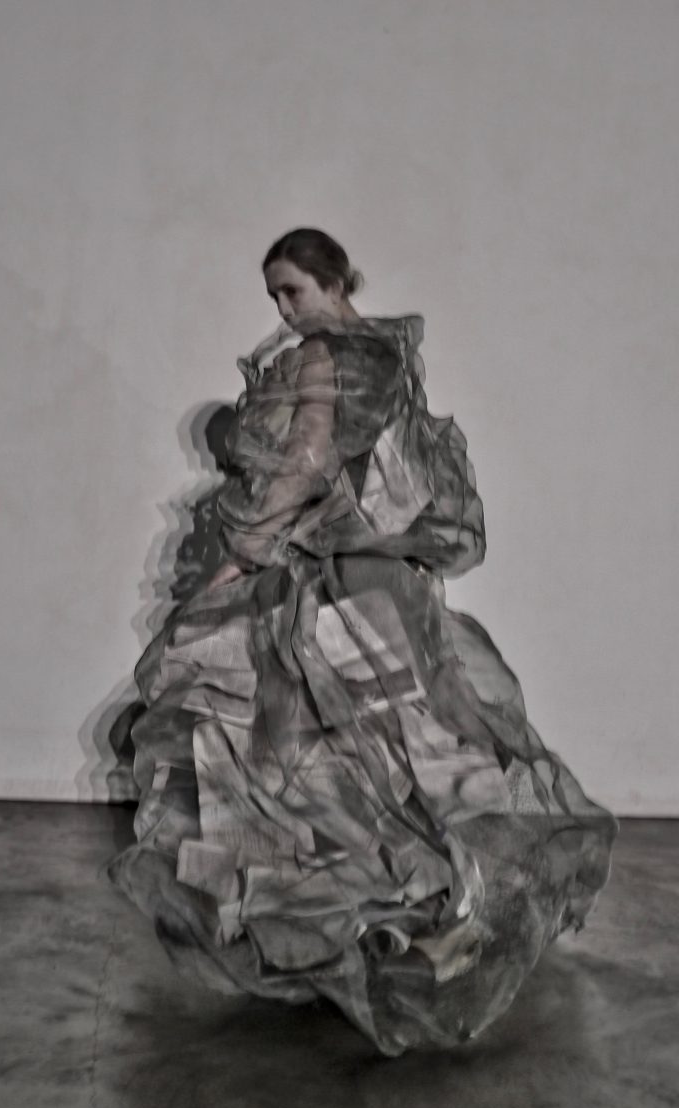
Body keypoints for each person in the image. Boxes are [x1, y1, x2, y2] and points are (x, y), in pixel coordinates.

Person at [108, 228, 617, 1056]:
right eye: (274, 297)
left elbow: (308, 463)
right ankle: (418, 919)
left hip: (333, 584)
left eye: (292, 291)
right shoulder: (389, 355)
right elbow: (405, 481)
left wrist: (238, 559)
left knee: (316, 755)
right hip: (388, 583)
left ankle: (369, 922)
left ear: (334, 280)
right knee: (394, 753)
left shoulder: (326, 357)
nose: (283, 310)